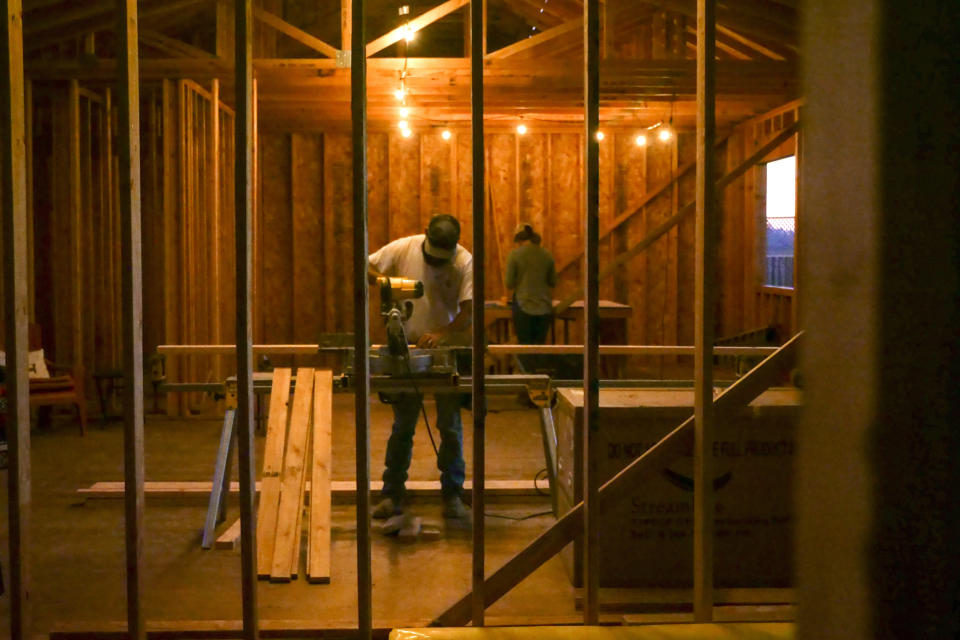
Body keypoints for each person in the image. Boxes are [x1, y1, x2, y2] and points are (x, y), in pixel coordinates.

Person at [367, 214, 473, 523]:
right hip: (409, 348)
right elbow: (366, 265)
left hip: (445, 352)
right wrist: (384, 282)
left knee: (450, 426)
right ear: (425, 235)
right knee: (403, 426)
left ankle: (453, 495)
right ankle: (392, 493)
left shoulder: (465, 262)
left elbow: (469, 310)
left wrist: (442, 334)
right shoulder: (405, 248)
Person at [505, 223, 557, 371]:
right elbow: (553, 281)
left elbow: (509, 283)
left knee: (525, 348)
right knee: (539, 348)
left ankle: (527, 385)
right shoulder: (547, 255)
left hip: (523, 306)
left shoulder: (514, 255)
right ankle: (541, 384)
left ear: (518, 239)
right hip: (544, 307)